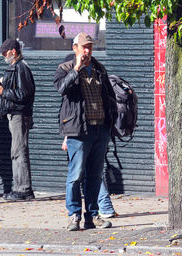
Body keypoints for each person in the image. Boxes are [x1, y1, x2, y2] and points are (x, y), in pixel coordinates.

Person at [53, 32, 117, 231]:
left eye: (90, 47)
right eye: (84, 47)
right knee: (75, 174)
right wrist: (77, 68)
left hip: (100, 130)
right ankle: (74, 215)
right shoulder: (64, 69)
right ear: (75, 49)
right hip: (78, 131)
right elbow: (62, 90)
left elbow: (110, 96)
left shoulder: (99, 69)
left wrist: (110, 124)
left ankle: (92, 215)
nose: (87, 51)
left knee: (95, 176)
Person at [0, 39, 36, 201]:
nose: (3, 54)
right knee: (17, 151)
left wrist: (3, 91)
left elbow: (24, 94)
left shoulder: (21, 67)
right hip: (15, 114)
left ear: (13, 51)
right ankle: (20, 188)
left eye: (5, 51)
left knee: (19, 151)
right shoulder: (17, 67)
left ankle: (23, 189)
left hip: (19, 114)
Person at [61, 137, 117, 219]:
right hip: (82, 134)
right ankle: (102, 208)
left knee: (90, 175)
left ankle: (94, 213)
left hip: (91, 134)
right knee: (85, 175)